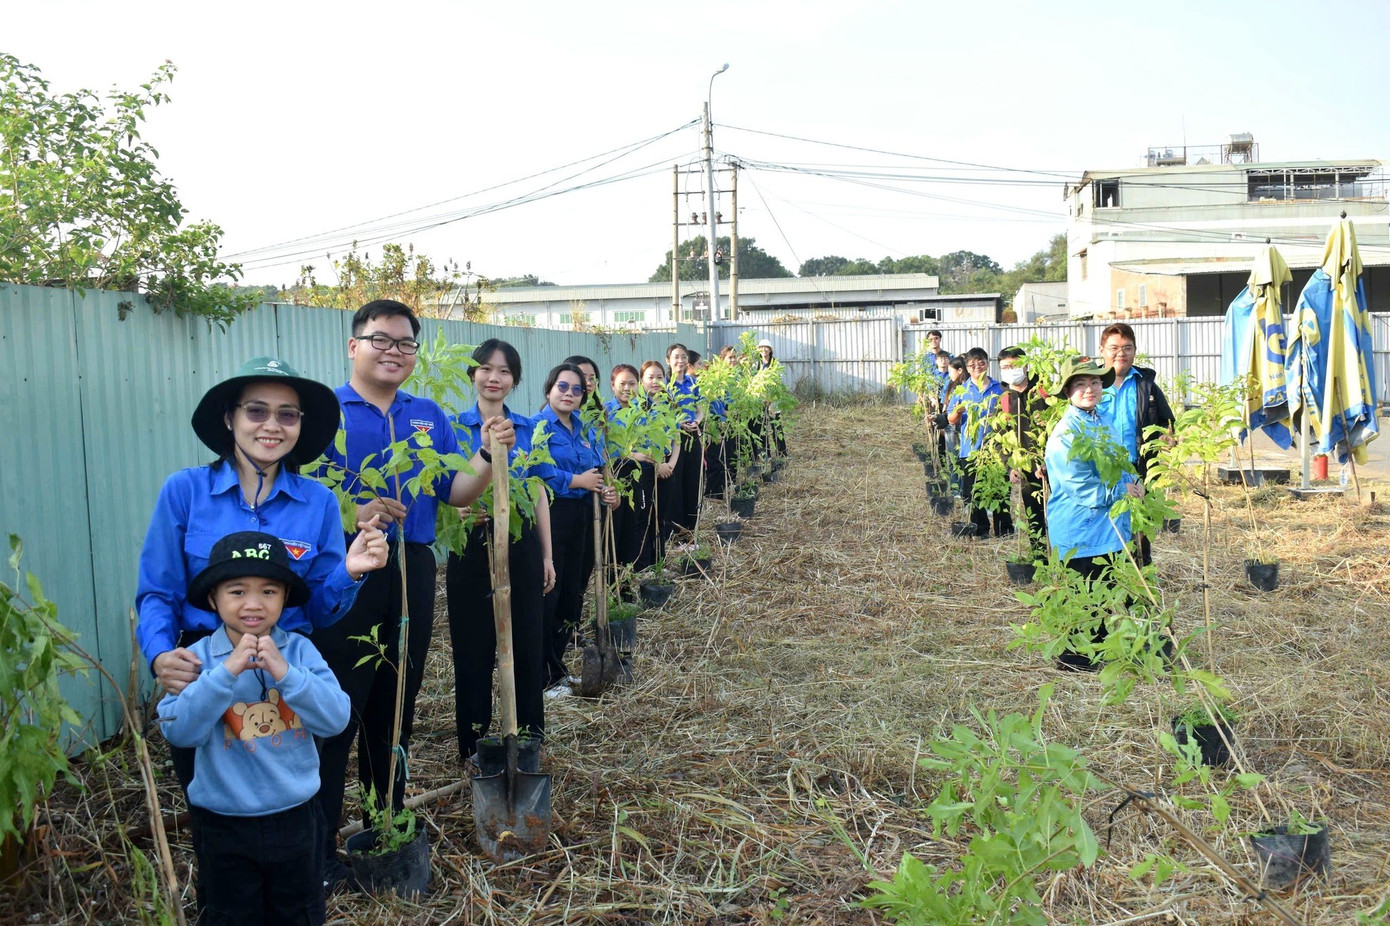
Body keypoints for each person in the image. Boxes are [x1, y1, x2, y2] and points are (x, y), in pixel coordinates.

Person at [312, 299, 514, 888]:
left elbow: (457, 491)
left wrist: (485, 450)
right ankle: (321, 845)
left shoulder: (426, 413)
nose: (394, 352)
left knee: (397, 697)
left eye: (405, 344)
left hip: (412, 566)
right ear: (355, 346)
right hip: (346, 572)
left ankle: (386, 816)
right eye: (382, 340)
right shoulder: (325, 413)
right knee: (337, 704)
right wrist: (356, 510)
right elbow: (303, 495)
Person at [137, 357, 387, 803]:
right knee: (213, 800)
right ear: (229, 418)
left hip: (289, 662)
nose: (271, 425)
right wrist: (159, 654)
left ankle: (313, 866)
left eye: (287, 415)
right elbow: (158, 589)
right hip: (207, 664)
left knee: (298, 794)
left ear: (300, 426)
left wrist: (349, 573)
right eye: (256, 411)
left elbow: (317, 609)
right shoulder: (185, 491)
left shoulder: (319, 502)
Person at [158, 531, 351, 926]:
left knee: (299, 913)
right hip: (224, 823)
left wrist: (286, 674)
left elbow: (336, 719)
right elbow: (179, 732)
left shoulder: (298, 651)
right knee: (231, 915)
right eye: (236, 591)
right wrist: (224, 674)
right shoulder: (194, 661)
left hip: (297, 819)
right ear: (213, 598)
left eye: (268, 591)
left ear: (283, 598)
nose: (252, 604)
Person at [446, 340, 554, 768]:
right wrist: (460, 510)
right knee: (471, 647)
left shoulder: (528, 429)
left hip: (521, 543)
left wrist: (546, 554)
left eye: (505, 371)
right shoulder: (454, 428)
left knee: (527, 641)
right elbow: (445, 492)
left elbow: (540, 493)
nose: (494, 377)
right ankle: (473, 745)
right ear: (472, 375)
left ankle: (529, 740)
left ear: (514, 380)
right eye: (486, 369)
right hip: (471, 544)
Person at [1045, 357, 1144, 669]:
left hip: (1108, 527)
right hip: (1081, 528)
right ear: (1068, 391)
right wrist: (1120, 492)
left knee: (1104, 592)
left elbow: (1119, 463)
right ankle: (1075, 660)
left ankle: (1098, 653)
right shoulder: (1066, 432)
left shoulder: (1101, 420)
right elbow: (1079, 485)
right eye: (1080, 384)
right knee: (1084, 594)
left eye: (1095, 382)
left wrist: (1135, 482)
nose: (1089, 389)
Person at [533, 362, 617, 697]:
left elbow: (597, 467)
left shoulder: (585, 428)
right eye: (563, 387)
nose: (569, 394)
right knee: (550, 593)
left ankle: (559, 668)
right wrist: (574, 480)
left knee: (573, 591)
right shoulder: (537, 426)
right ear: (549, 389)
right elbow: (535, 470)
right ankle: (543, 675)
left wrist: (604, 490)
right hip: (552, 513)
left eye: (577, 390)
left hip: (585, 514)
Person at [1098, 323, 1175, 565]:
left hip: (1137, 467)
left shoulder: (1145, 384)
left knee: (1138, 525)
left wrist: (1166, 436)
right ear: (1102, 350)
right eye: (1114, 348)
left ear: (1135, 351)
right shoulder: (1092, 384)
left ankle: (1141, 576)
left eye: (1127, 348)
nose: (1121, 353)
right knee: (1105, 524)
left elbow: (1167, 421)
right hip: (1101, 469)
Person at [947, 347, 1011, 538]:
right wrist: (959, 410)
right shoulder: (962, 390)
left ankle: (1004, 530)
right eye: (972, 364)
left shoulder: (1000, 388)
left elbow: (1009, 416)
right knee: (974, 491)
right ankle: (981, 529)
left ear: (987, 364)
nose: (977, 367)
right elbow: (951, 419)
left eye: (981, 363)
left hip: (996, 448)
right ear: (967, 367)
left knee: (1000, 490)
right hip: (970, 449)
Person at [606, 364, 656, 587]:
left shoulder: (643, 410)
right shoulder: (605, 412)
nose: (627, 388)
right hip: (615, 474)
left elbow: (651, 442)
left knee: (636, 523)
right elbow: (604, 447)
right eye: (622, 383)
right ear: (612, 385)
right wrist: (630, 453)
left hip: (639, 474)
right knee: (616, 528)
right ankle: (614, 583)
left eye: (632, 383)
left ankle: (633, 574)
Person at [999, 346, 1049, 555]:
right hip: (1025, 467)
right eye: (1004, 367)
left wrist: (1049, 458)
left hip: (1050, 463)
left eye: (1014, 365)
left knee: (1058, 513)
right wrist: (1010, 466)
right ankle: (1041, 559)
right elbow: (1000, 438)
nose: (1010, 370)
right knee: (1034, 515)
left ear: (1026, 366)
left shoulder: (1044, 391)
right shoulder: (1004, 399)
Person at [640, 359, 681, 562]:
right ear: (642, 381)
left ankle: (659, 560)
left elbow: (676, 438)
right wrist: (657, 465)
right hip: (647, 467)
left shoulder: (669, 404)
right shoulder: (637, 407)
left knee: (663, 518)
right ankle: (646, 561)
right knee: (647, 518)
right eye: (650, 377)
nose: (655, 381)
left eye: (659, 377)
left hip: (667, 467)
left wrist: (671, 464)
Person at [666, 343, 704, 536]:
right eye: (676, 357)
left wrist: (697, 421)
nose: (680, 360)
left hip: (692, 434)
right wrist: (678, 424)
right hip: (675, 436)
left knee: (693, 478)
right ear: (668, 361)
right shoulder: (665, 386)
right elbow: (663, 413)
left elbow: (700, 407)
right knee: (676, 480)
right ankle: (676, 528)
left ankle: (691, 526)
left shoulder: (692, 382)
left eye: (683, 357)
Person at [938, 356, 968, 495]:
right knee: (953, 459)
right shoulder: (951, 384)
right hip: (950, 425)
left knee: (960, 459)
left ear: (960, 370)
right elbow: (947, 406)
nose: (949, 374)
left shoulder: (966, 387)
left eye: (951, 371)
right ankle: (956, 489)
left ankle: (962, 489)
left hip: (961, 426)